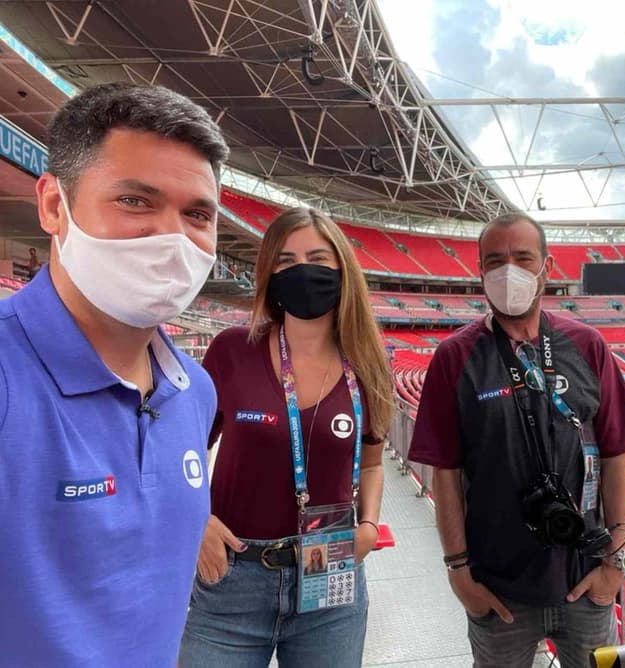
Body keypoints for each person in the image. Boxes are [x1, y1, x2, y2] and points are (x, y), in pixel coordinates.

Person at [0, 82, 229, 667]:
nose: (172, 235)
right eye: (135, 201)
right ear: (55, 206)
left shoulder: (194, 391)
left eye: (197, 214)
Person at [409, 213, 625, 668]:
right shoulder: (454, 357)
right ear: (479, 272)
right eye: (495, 261)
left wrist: (614, 563)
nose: (507, 270)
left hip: (587, 581)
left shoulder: (588, 345)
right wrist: (459, 574)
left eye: (522, 258)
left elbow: (616, 455)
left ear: (547, 267)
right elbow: (447, 474)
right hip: (497, 591)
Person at [179, 207, 394, 667]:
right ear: (269, 275)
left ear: (342, 269)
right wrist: (195, 518)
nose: (302, 271)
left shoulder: (368, 363)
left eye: (317, 257)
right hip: (234, 574)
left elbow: (372, 463)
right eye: (285, 261)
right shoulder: (233, 349)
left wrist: (370, 527)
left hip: (331, 568)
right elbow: (183, 446)